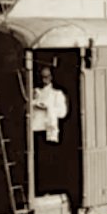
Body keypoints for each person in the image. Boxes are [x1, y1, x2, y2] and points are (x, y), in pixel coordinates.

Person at [32, 64, 68, 194]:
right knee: (35, 163)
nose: (43, 80)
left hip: (48, 131)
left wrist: (48, 107)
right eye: (41, 77)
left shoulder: (56, 94)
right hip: (34, 131)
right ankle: (36, 190)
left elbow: (62, 112)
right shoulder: (35, 92)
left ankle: (49, 189)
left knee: (49, 162)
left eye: (46, 77)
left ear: (51, 77)